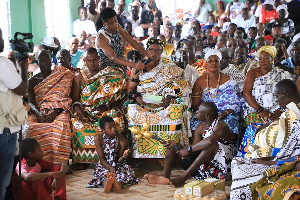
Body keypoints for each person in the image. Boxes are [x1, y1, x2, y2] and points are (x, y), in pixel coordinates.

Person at [231, 79, 300, 200]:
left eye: (278, 97)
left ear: (286, 95)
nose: (277, 101)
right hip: (279, 156)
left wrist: (270, 160)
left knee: (242, 170)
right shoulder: (290, 110)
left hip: (287, 161)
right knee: (238, 163)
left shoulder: (296, 114)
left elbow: (291, 147)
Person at [127, 39, 192, 158]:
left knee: (177, 110)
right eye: (151, 50)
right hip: (145, 100)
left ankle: (170, 153)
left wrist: (169, 97)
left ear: (162, 51)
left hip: (164, 102)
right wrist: (137, 98)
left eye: (157, 50)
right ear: (147, 50)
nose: (154, 53)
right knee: (131, 110)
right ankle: (140, 153)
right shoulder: (138, 67)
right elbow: (130, 89)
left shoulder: (168, 66)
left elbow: (181, 87)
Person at [145, 102, 236, 187]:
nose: (196, 112)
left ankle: (183, 178)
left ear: (207, 116)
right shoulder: (200, 127)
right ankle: (165, 175)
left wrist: (188, 150)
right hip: (204, 164)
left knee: (211, 145)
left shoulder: (221, 125)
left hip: (220, 168)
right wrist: (178, 147)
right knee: (172, 146)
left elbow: (210, 141)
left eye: (199, 111)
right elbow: (194, 151)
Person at [71, 48, 127, 166]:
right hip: (87, 111)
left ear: (99, 59)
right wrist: (77, 108)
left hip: (105, 110)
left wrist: (107, 105)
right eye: (89, 60)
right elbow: (75, 99)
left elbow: (118, 97)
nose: (92, 63)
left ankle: (114, 157)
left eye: (94, 60)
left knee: (117, 119)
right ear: (84, 61)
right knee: (75, 122)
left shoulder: (108, 74)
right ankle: (82, 159)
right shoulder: (78, 77)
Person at [241, 46, 293, 157]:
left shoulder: (281, 74)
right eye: (260, 58)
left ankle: (272, 155)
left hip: (277, 110)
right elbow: (247, 94)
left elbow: (288, 95)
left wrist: (279, 110)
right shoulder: (252, 73)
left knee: (278, 127)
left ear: (272, 59)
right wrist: (260, 110)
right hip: (254, 109)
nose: (262, 61)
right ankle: (251, 154)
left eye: (266, 58)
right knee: (255, 127)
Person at [27, 50, 74, 164]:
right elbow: (31, 102)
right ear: (37, 62)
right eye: (42, 60)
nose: (46, 62)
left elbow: (65, 97)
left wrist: (56, 111)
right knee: (28, 126)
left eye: (48, 58)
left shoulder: (62, 75)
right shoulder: (33, 80)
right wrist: (39, 114)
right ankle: (41, 162)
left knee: (62, 124)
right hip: (39, 111)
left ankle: (59, 164)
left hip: (59, 110)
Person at [191, 49, 244, 148]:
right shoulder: (200, 81)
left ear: (220, 62)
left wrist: (225, 113)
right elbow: (195, 104)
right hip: (206, 114)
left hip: (226, 113)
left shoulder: (229, 80)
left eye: (216, 61)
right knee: (196, 123)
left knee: (231, 122)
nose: (213, 63)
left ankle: (226, 154)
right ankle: (195, 154)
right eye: (210, 61)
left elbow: (237, 102)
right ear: (206, 63)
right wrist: (207, 115)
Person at [0, 28, 28, 200]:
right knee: (2, 181)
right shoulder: (2, 64)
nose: (3, 40)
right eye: (1, 36)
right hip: (5, 129)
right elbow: (22, 89)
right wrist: (23, 68)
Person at [86, 116, 139, 191]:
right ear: (103, 130)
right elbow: (102, 159)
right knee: (103, 175)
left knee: (122, 176)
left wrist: (124, 156)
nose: (114, 129)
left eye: (114, 126)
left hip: (118, 165)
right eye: (109, 127)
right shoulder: (98, 139)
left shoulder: (122, 141)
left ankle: (118, 184)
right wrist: (110, 168)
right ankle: (107, 184)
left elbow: (118, 159)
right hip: (104, 165)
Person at [97, 8, 148, 76]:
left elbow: (132, 41)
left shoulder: (118, 27)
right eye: (111, 23)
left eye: (116, 21)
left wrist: (147, 54)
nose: (115, 24)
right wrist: (134, 65)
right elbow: (113, 58)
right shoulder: (101, 37)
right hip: (108, 71)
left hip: (121, 67)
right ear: (104, 24)